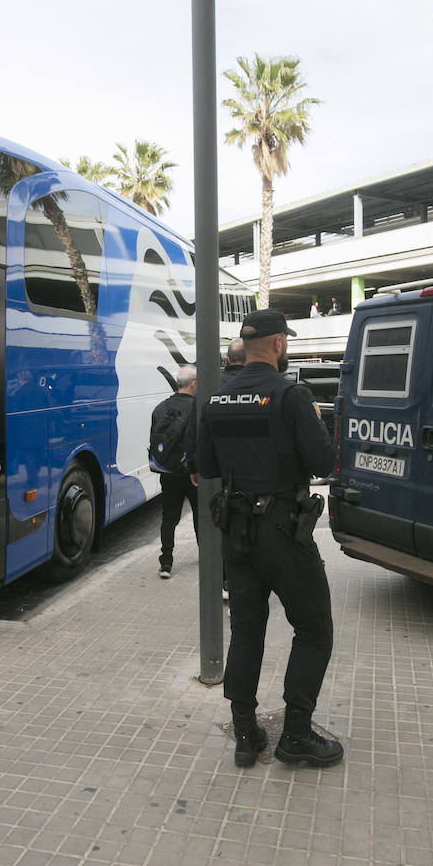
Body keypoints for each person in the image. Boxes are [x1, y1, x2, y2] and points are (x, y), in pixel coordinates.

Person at [194, 309, 340, 769]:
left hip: (236, 535)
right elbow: (323, 464)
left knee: (247, 630)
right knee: (315, 629)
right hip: (283, 532)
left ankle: (246, 734)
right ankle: (295, 734)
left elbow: (207, 469)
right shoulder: (292, 396)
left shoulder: (215, 400)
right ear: (278, 345)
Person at [150, 365, 199, 579]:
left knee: (169, 517)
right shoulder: (198, 407)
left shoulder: (160, 408)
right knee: (200, 516)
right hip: (193, 474)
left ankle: (166, 564)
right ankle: (206, 557)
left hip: (167, 473)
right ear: (194, 384)